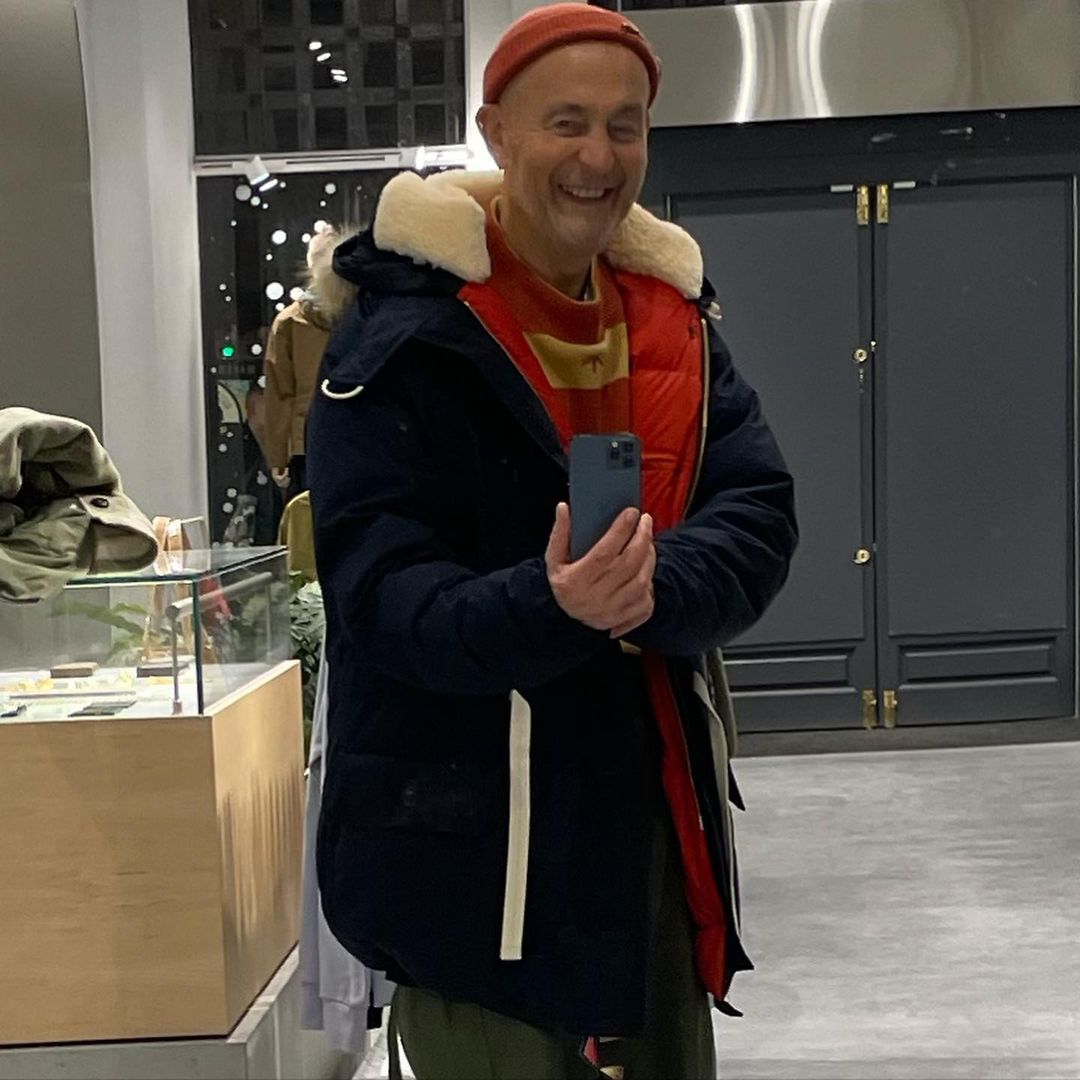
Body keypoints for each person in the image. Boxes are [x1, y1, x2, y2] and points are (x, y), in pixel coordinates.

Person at [307, 5, 797, 1077]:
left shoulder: (674, 324)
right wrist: (551, 604)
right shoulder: (400, 344)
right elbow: (380, 597)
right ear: (495, 131)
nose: (598, 157)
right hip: (479, 879)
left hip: (655, 849)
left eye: (626, 126)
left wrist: (651, 584)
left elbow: (758, 514)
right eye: (566, 122)